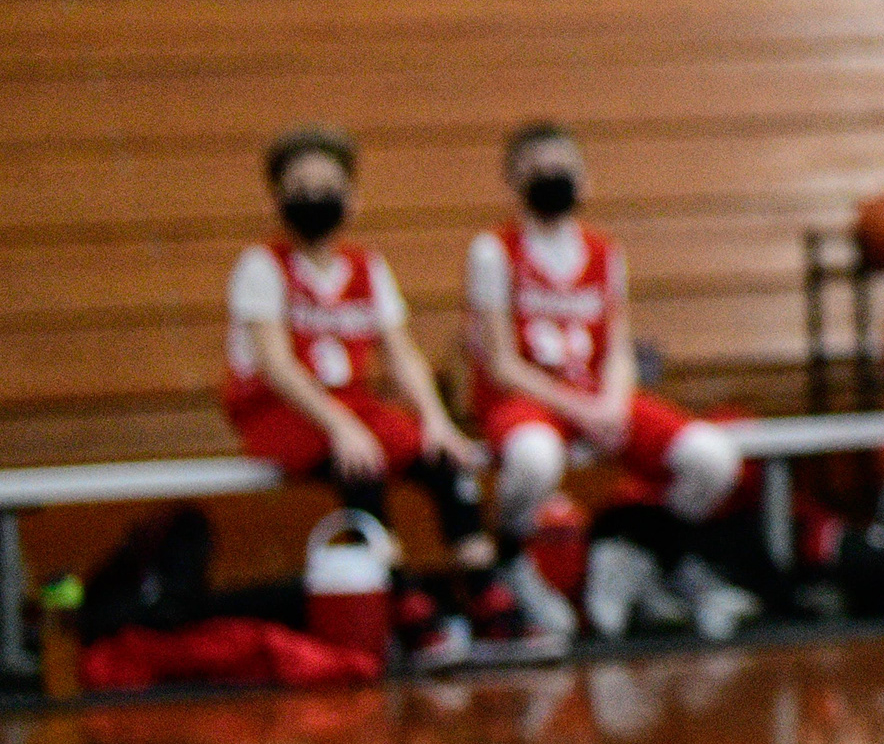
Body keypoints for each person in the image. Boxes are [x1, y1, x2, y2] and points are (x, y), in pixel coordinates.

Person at [463, 122, 749, 641]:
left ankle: (639, 556)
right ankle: (512, 561)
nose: (551, 177)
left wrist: (613, 403)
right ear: (511, 181)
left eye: (562, 168)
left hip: (596, 397)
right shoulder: (493, 250)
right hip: (527, 398)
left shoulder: (604, 251)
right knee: (534, 459)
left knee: (713, 459)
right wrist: (582, 409)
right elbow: (500, 363)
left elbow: (618, 346)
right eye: (536, 169)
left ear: (584, 177)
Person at [221, 128, 492, 571]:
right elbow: (276, 366)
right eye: (300, 188)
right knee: (362, 466)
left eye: (326, 187)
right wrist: (341, 427)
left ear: (352, 199)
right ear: (276, 200)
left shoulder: (367, 266)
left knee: (445, 462)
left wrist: (437, 420)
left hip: (352, 405)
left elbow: (402, 355)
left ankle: (482, 582)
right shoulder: (261, 265)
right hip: (277, 409)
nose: (314, 198)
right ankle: (392, 586)